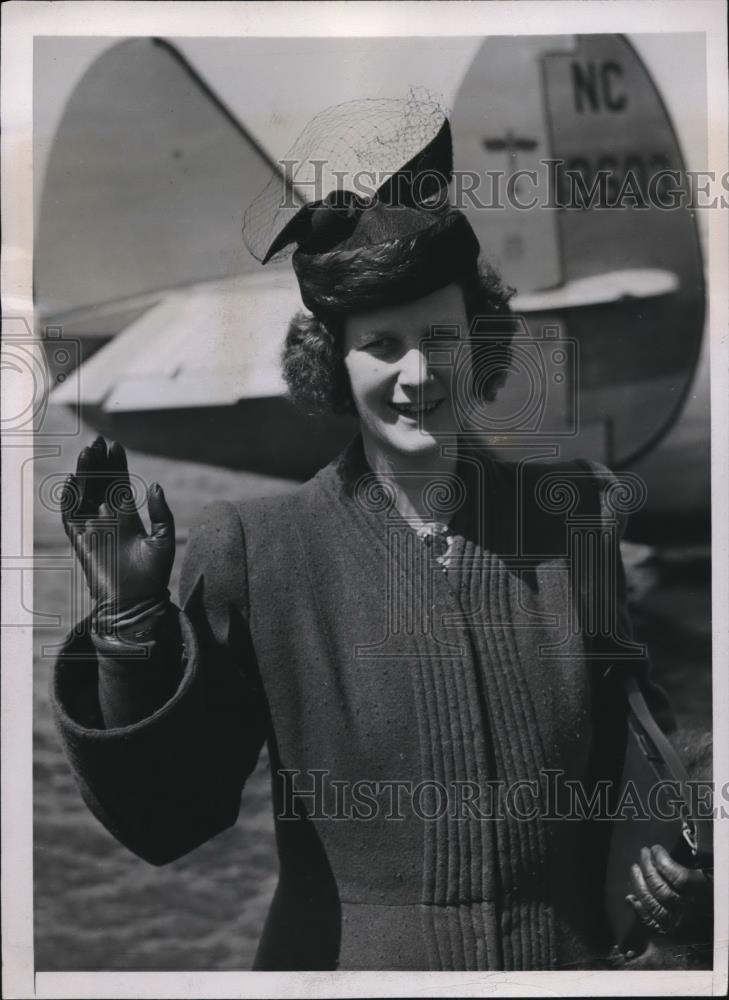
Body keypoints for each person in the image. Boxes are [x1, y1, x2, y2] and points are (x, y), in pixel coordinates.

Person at [51, 106, 711, 971]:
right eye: (382, 346)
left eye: (441, 338)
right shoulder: (255, 552)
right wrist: (132, 636)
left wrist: (692, 884)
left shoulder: (573, 519)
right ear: (334, 361)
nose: (416, 374)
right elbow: (167, 820)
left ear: (479, 342)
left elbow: (638, 762)